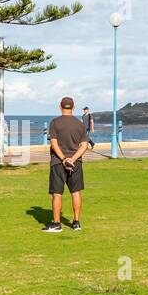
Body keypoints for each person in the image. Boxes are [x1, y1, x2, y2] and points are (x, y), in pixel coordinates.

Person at [43, 96, 88, 233]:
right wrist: (72, 159)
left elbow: (54, 143)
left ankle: (57, 224)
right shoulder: (80, 124)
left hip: (58, 162)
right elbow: (84, 145)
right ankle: (76, 222)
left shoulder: (55, 122)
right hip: (76, 163)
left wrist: (63, 159)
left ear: (60, 107)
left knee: (57, 193)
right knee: (76, 192)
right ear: (73, 108)